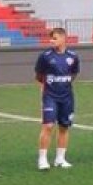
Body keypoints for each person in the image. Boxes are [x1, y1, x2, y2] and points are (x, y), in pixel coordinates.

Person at [34, 28, 79, 170]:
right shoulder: (45, 56)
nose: (52, 41)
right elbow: (39, 76)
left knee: (64, 126)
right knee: (48, 126)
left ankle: (60, 158)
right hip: (50, 96)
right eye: (51, 38)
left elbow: (73, 74)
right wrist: (47, 88)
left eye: (55, 38)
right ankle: (42, 159)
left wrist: (63, 82)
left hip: (67, 97)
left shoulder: (73, 56)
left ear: (64, 38)